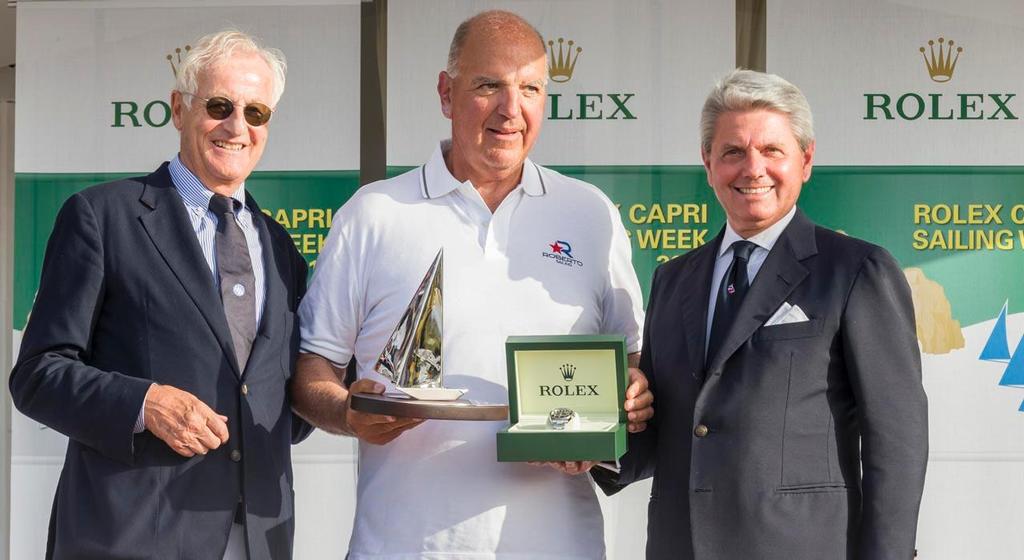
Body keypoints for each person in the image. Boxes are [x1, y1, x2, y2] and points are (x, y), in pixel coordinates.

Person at [292, 10, 653, 559]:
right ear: (446, 92)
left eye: (531, 88)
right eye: (489, 85)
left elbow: (632, 366)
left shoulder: (590, 214)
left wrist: (616, 415)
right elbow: (311, 373)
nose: (512, 109)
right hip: (404, 546)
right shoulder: (374, 213)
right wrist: (346, 413)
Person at [598, 69, 929, 559]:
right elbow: (662, 427)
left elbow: (897, 439)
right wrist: (598, 437)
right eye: (732, 152)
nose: (752, 168)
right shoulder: (673, 279)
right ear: (708, 163)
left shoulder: (856, 271)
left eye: (772, 150)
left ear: (806, 160)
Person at [9, 30, 310, 559]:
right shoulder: (102, 217)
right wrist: (144, 404)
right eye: (219, 106)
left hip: (259, 538)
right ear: (179, 108)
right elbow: (38, 374)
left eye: (256, 112)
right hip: (131, 538)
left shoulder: (280, 248)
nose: (237, 126)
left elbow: (283, 405)